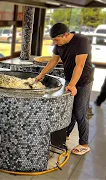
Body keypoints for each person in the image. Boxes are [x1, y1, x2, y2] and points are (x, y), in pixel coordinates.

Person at [36, 23, 94, 155]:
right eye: (53, 41)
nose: (55, 43)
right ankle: (66, 133)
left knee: (80, 113)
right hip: (70, 80)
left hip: (84, 81)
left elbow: (79, 66)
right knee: (69, 109)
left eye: (57, 40)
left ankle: (84, 144)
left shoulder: (81, 41)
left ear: (66, 35)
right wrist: (41, 75)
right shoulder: (59, 45)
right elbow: (53, 61)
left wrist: (73, 85)